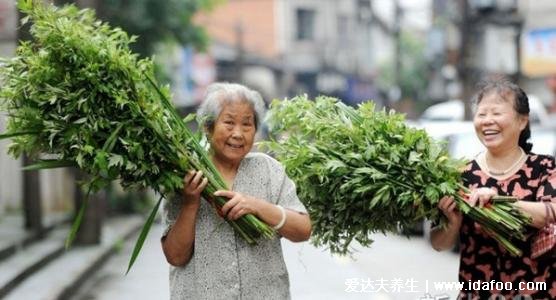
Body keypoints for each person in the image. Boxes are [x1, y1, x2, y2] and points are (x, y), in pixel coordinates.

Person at [161, 82, 312, 299]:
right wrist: (190, 202)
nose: (238, 133)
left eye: (247, 124)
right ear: (208, 127)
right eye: (229, 123)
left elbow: (303, 229)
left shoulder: (269, 169)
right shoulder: (187, 175)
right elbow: (175, 256)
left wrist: (258, 207)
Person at [430, 77, 556, 299]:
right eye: (481, 114)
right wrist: (452, 221)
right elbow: (439, 244)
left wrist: (497, 201)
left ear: (522, 121)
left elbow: (550, 213)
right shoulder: (460, 175)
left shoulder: (545, 168)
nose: (487, 121)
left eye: (496, 114)